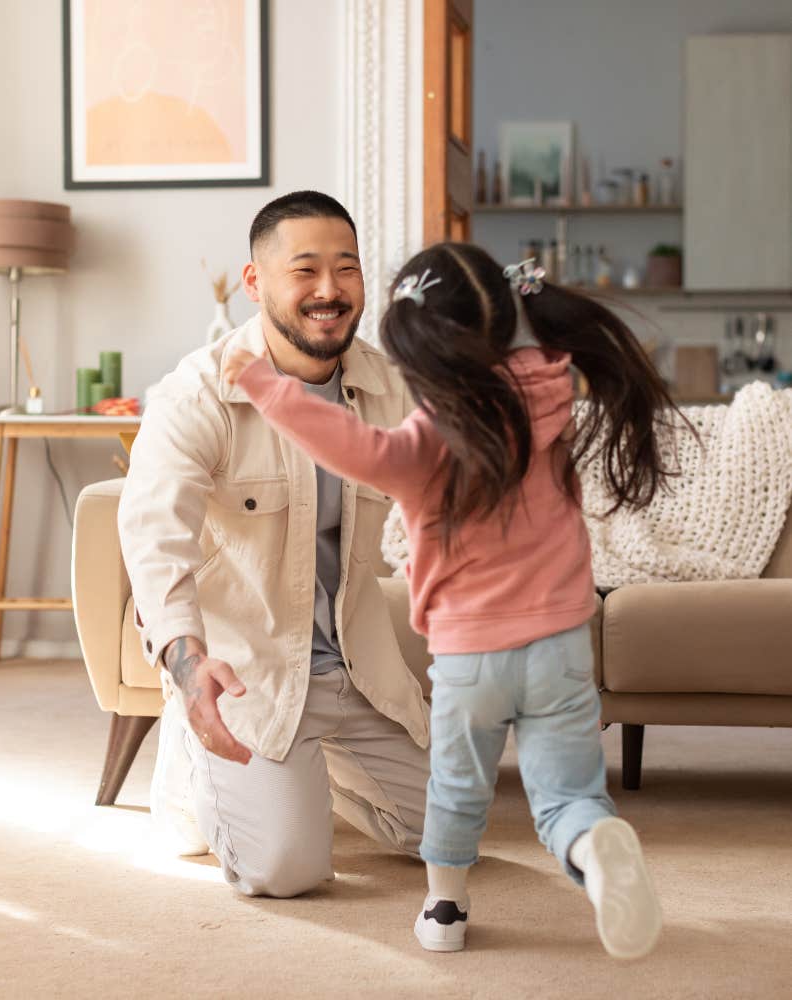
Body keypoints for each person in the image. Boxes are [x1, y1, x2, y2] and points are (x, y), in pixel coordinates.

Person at [224, 243, 684, 958]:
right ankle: (594, 850)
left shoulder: (427, 439)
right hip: (563, 643)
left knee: (458, 789)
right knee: (568, 795)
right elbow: (518, 343)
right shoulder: (551, 394)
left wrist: (263, 383)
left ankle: (445, 909)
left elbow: (350, 445)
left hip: (473, 656)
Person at [118, 191, 431, 898]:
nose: (329, 290)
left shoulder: (391, 388)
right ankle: (195, 761)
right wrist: (189, 667)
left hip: (360, 670)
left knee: (456, 833)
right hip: (250, 676)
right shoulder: (197, 393)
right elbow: (154, 539)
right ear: (255, 283)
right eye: (306, 270)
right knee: (286, 870)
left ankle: (304, 775)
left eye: (346, 268)